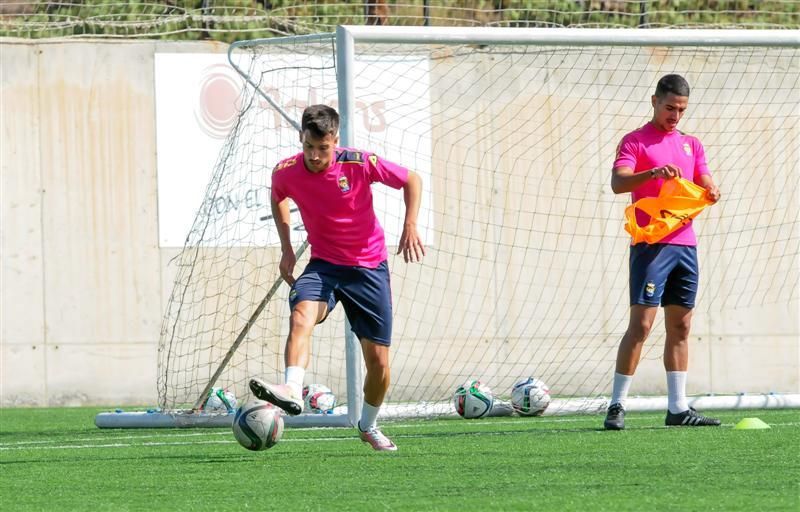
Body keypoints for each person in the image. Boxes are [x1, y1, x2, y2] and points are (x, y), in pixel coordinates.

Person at [250, 104, 425, 451]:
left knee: (378, 365)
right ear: (301, 139)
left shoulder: (359, 163)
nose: (314, 156)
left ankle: (368, 426)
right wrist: (287, 247)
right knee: (301, 314)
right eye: (308, 147)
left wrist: (410, 225)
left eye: (322, 148)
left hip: (369, 268)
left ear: (335, 140)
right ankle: (291, 389)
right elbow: (278, 196)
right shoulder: (285, 171)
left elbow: (411, 179)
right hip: (324, 266)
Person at [604, 74, 721, 430]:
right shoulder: (636, 141)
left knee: (681, 326)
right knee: (640, 326)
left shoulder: (692, 144)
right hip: (651, 246)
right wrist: (652, 172)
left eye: (681, 109)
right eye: (670, 107)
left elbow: (704, 179)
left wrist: (712, 189)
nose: (675, 115)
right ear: (654, 101)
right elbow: (617, 183)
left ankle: (678, 408)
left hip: (685, 246)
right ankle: (616, 405)